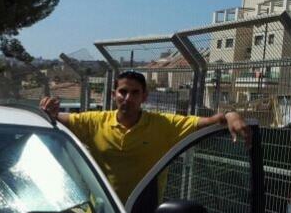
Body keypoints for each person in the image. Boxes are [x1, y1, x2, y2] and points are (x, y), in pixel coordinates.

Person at [40, 69, 251, 203]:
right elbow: (57, 119)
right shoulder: (95, 121)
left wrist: (231, 115)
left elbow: (211, 120)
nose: (127, 98)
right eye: (123, 92)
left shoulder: (163, 125)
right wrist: (48, 110)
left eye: (135, 93)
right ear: (114, 95)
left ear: (144, 97)